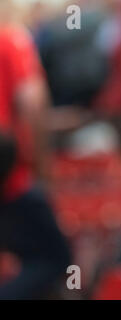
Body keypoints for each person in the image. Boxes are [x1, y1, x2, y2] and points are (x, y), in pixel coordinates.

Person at [0, 1, 71, 299]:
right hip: (8, 175)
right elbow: (33, 104)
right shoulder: (12, 41)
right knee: (55, 258)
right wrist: (43, 171)